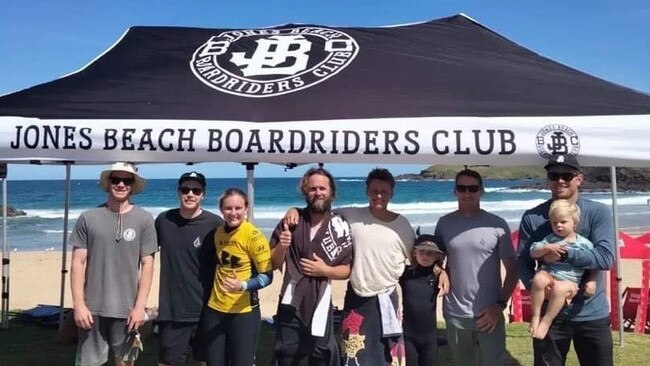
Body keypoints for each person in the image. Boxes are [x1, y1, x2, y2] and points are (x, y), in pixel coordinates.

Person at [285, 168, 449, 365]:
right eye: (374, 191)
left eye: (384, 192)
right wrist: (293, 210)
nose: (378, 196)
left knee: (385, 356)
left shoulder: (402, 226)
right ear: (367, 191)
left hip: (387, 299)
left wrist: (441, 271)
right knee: (352, 354)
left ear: (392, 193)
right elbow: (319, 210)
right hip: (356, 297)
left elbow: (418, 259)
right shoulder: (350, 215)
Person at [517, 154, 615, 366]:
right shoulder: (532, 217)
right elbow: (522, 262)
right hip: (549, 317)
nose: (560, 180)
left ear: (579, 178)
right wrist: (539, 287)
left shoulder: (598, 212)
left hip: (591, 313)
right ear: (548, 180)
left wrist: (565, 253)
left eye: (567, 175)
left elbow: (606, 258)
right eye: (554, 175)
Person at [69, 162, 158, 366]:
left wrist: (140, 307)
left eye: (126, 180)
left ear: (132, 185)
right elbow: (77, 263)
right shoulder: (88, 218)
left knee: (125, 362)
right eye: (116, 179)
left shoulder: (144, 219)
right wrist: (79, 305)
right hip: (92, 309)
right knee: (89, 363)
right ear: (108, 183)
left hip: (127, 310)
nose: (120, 184)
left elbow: (148, 264)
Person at [434, 169, 518, 366]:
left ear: (481, 191)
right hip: (455, 313)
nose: (467, 193)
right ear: (455, 191)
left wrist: (499, 307)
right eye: (462, 188)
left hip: (489, 314)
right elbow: (435, 259)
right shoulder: (444, 223)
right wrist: (441, 271)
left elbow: (512, 270)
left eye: (472, 188)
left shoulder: (497, 225)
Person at [270, 167, 353, 366]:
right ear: (305, 192)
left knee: (321, 355)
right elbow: (273, 262)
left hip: (321, 301)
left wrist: (325, 271)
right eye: (312, 188)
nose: (318, 193)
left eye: (322, 188)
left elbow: (348, 269)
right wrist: (282, 245)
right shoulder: (291, 221)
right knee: (287, 355)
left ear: (332, 192)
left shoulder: (339, 226)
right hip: (290, 301)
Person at [155, 172, 223, 366]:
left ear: (203, 194)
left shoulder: (215, 224)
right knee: (169, 362)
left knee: (207, 361)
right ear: (178, 192)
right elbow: (145, 257)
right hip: (173, 310)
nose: (190, 194)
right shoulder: (164, 220)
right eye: (185, 189)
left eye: (196, 190)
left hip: (209, 309)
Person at [200, 188, 273, 366]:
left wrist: (243, 285)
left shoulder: (254, 236)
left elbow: (267, 276)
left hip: (243, 313)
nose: (233, 213)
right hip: (215, 309)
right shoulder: (218, 233)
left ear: (246, 209)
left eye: (238, 208)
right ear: (221, 209)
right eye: (228, 208)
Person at [528, 199, 599, 340]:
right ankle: (536, 315)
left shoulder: (584, 244)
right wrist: (547, 248)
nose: (558, 226)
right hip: (550, 275)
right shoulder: (550, 239)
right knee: (538, 279)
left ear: (575, 222)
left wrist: (592, 280)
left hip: (570, 281)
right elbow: (533, 251)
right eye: (554, 223)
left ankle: (546, 321)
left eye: (563, 222)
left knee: (560, 289)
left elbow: (595, 263)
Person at [399, 234, 446, 366]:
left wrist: (443, 272)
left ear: (437, 256)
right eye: (422, 252)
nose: (425, 256)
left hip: (430, 336)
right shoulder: (405, 273)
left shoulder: (438, 276)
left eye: (430, 253)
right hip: (409, 334)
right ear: (414, 253)